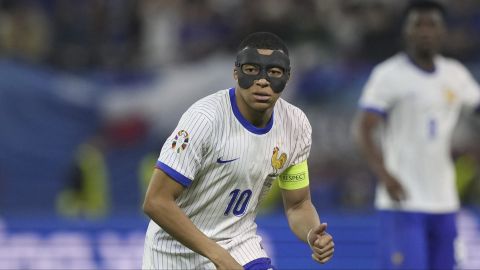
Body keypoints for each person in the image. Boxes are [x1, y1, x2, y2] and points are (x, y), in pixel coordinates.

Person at [141, 32, 334, 270]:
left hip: (239, 244)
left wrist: (311, 234)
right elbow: (156, 201)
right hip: (174, 251)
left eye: (273, 73)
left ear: (287, 77)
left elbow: (298, 204)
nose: (262, 81)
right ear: (236, 72)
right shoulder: (204, 119)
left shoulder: (296, 125)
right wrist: (218, 255)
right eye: (252, 70)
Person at [354, 1, 480, 269]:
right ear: (406, 31)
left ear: (443, 31)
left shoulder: (455, 74)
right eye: (417, 24)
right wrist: (384, 174)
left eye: (432, 24)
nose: (425, 31)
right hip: (402, 201)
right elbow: (364, 128)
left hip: (445, 200)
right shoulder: (388, 75)